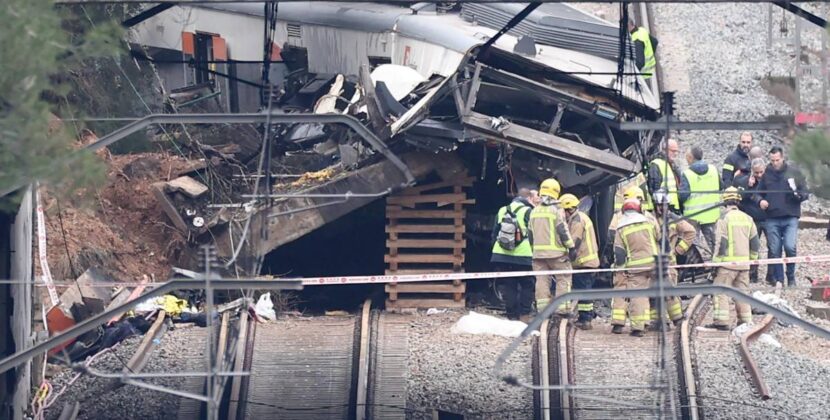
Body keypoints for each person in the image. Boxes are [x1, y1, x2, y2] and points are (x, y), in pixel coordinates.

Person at [709, 187, 760, 330]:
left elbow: (722, 243)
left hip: (727, 265)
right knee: (742, 293)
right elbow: (755, 243)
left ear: (725, 202)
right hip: (744, 264)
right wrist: (752, 260)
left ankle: (721, 321)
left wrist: (716, 262)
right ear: (738, 201)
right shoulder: (748, 218)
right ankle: (745, 320)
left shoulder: (724, 218)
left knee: (720, 292)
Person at [758, 146, 810, 286]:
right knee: (774, 250)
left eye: (777, 160)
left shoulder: (794, 172)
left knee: (790, 246)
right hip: (772, 217)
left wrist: (799, 196)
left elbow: (805, 192)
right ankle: (780, 279)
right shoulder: (766, 174)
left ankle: (791, 277)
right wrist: (760, 200)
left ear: (783, 158)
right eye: (772, 160)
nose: (775, 163)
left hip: (790, 216)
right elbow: (757, 193)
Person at [529, 178, 576, 317]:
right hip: (557, 254)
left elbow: (530, 235)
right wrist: (571, 247)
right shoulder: (556, 211)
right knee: (563, 278)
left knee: (542, 281)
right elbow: (563, 230)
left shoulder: (534, 211)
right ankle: (562, 309)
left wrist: (534, 250)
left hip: (538, 255)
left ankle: (543, 310)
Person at [611, 197, 657, 337]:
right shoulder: (649, 222)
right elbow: (659, 237)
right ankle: (655, 321)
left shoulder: (621, 227)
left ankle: (638, 328)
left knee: (638, 296)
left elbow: (619, 253)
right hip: (655, 262)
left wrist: (621, 269)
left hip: (636, 266)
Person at [651, 190, 695, 328]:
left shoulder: (674, 219)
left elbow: (690, 232)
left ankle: (676, 319)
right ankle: (659, 321)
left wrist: (678, 250)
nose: (661, 208)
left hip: (669, 262)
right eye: (658, 205)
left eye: (663, 205)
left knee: (669, 293)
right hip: (653, 262)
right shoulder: (650, 218)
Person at [490, 188, 535, 320]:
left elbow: (495, 232)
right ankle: (524, 314)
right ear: (528, 199)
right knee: (527, 285)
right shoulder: (528, 211)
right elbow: (533, 234)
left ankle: (511, 315)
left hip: (502, 254)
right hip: (523, 255)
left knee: (509, 285)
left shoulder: (502, 210)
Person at [560, 194, 599, 330]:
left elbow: (573, 242)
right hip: (584, 262)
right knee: (583, 290)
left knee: (584, 291)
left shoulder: (577, 220)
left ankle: (586, 319)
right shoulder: (578, 217)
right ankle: (586, 317)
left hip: (584, 262)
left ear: (568, 209)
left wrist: (563, 257)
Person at [679, 146, 721, 251]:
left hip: (693, 217)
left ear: (690, 157)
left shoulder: (687, 174)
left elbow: (683, 196)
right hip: (711, 215)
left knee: (694, 246)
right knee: (715, 246)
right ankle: (718, 265)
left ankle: (696, 266)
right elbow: (721, 186)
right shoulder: (713, 170)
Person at [734, 158, 767, 283]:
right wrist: (748, 186)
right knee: (752, 248)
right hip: (752, 219)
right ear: (752, 171)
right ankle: (753, 275)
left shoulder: (769, 180)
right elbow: (739, 197)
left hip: (768, 218)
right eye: (756, 172)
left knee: (774, 248)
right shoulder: (744, 181)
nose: (759, 175)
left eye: (761, 172)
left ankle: (772, 276)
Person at [647, 139, 681, 214]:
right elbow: (654, 187)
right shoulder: (656, 164)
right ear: (665, 150)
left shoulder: (672, 166)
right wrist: (659, 205)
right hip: (664, 210)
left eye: (676, 151)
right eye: (673, 151)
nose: (675, 154)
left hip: (673, 208)